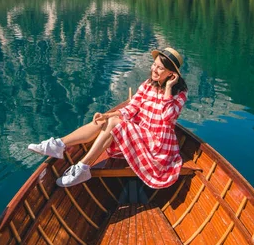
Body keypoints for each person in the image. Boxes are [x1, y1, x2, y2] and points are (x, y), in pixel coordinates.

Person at [28, 47, 188, 189]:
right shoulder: (147, 84)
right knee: (105, 121)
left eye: (160, 68)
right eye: (154, 65)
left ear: (171, 74)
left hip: (158, 144)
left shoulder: (178, 93)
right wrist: (106, 115)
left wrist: (168, 88)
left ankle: (83, 166)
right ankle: (59, 144)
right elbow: (132, 108)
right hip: (141, 135)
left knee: (114, 123)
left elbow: (168, 118)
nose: (154, 69)